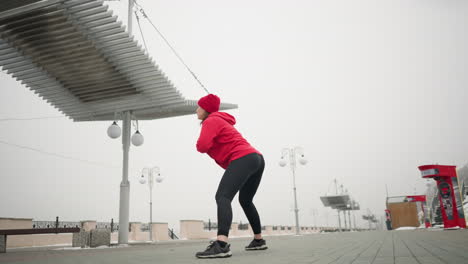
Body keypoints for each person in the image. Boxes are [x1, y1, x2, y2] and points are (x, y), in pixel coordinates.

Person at [194, 94, 267, 259]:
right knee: (245, 201)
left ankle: (221, 244)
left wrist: (202, 144)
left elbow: (203, 146)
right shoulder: (221, 121)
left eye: (199, 106)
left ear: (206, 109)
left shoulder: (211, 120)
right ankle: (258, 240)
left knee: (222, 196)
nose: (196, 110)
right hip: (256, 158)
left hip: (243, 158)